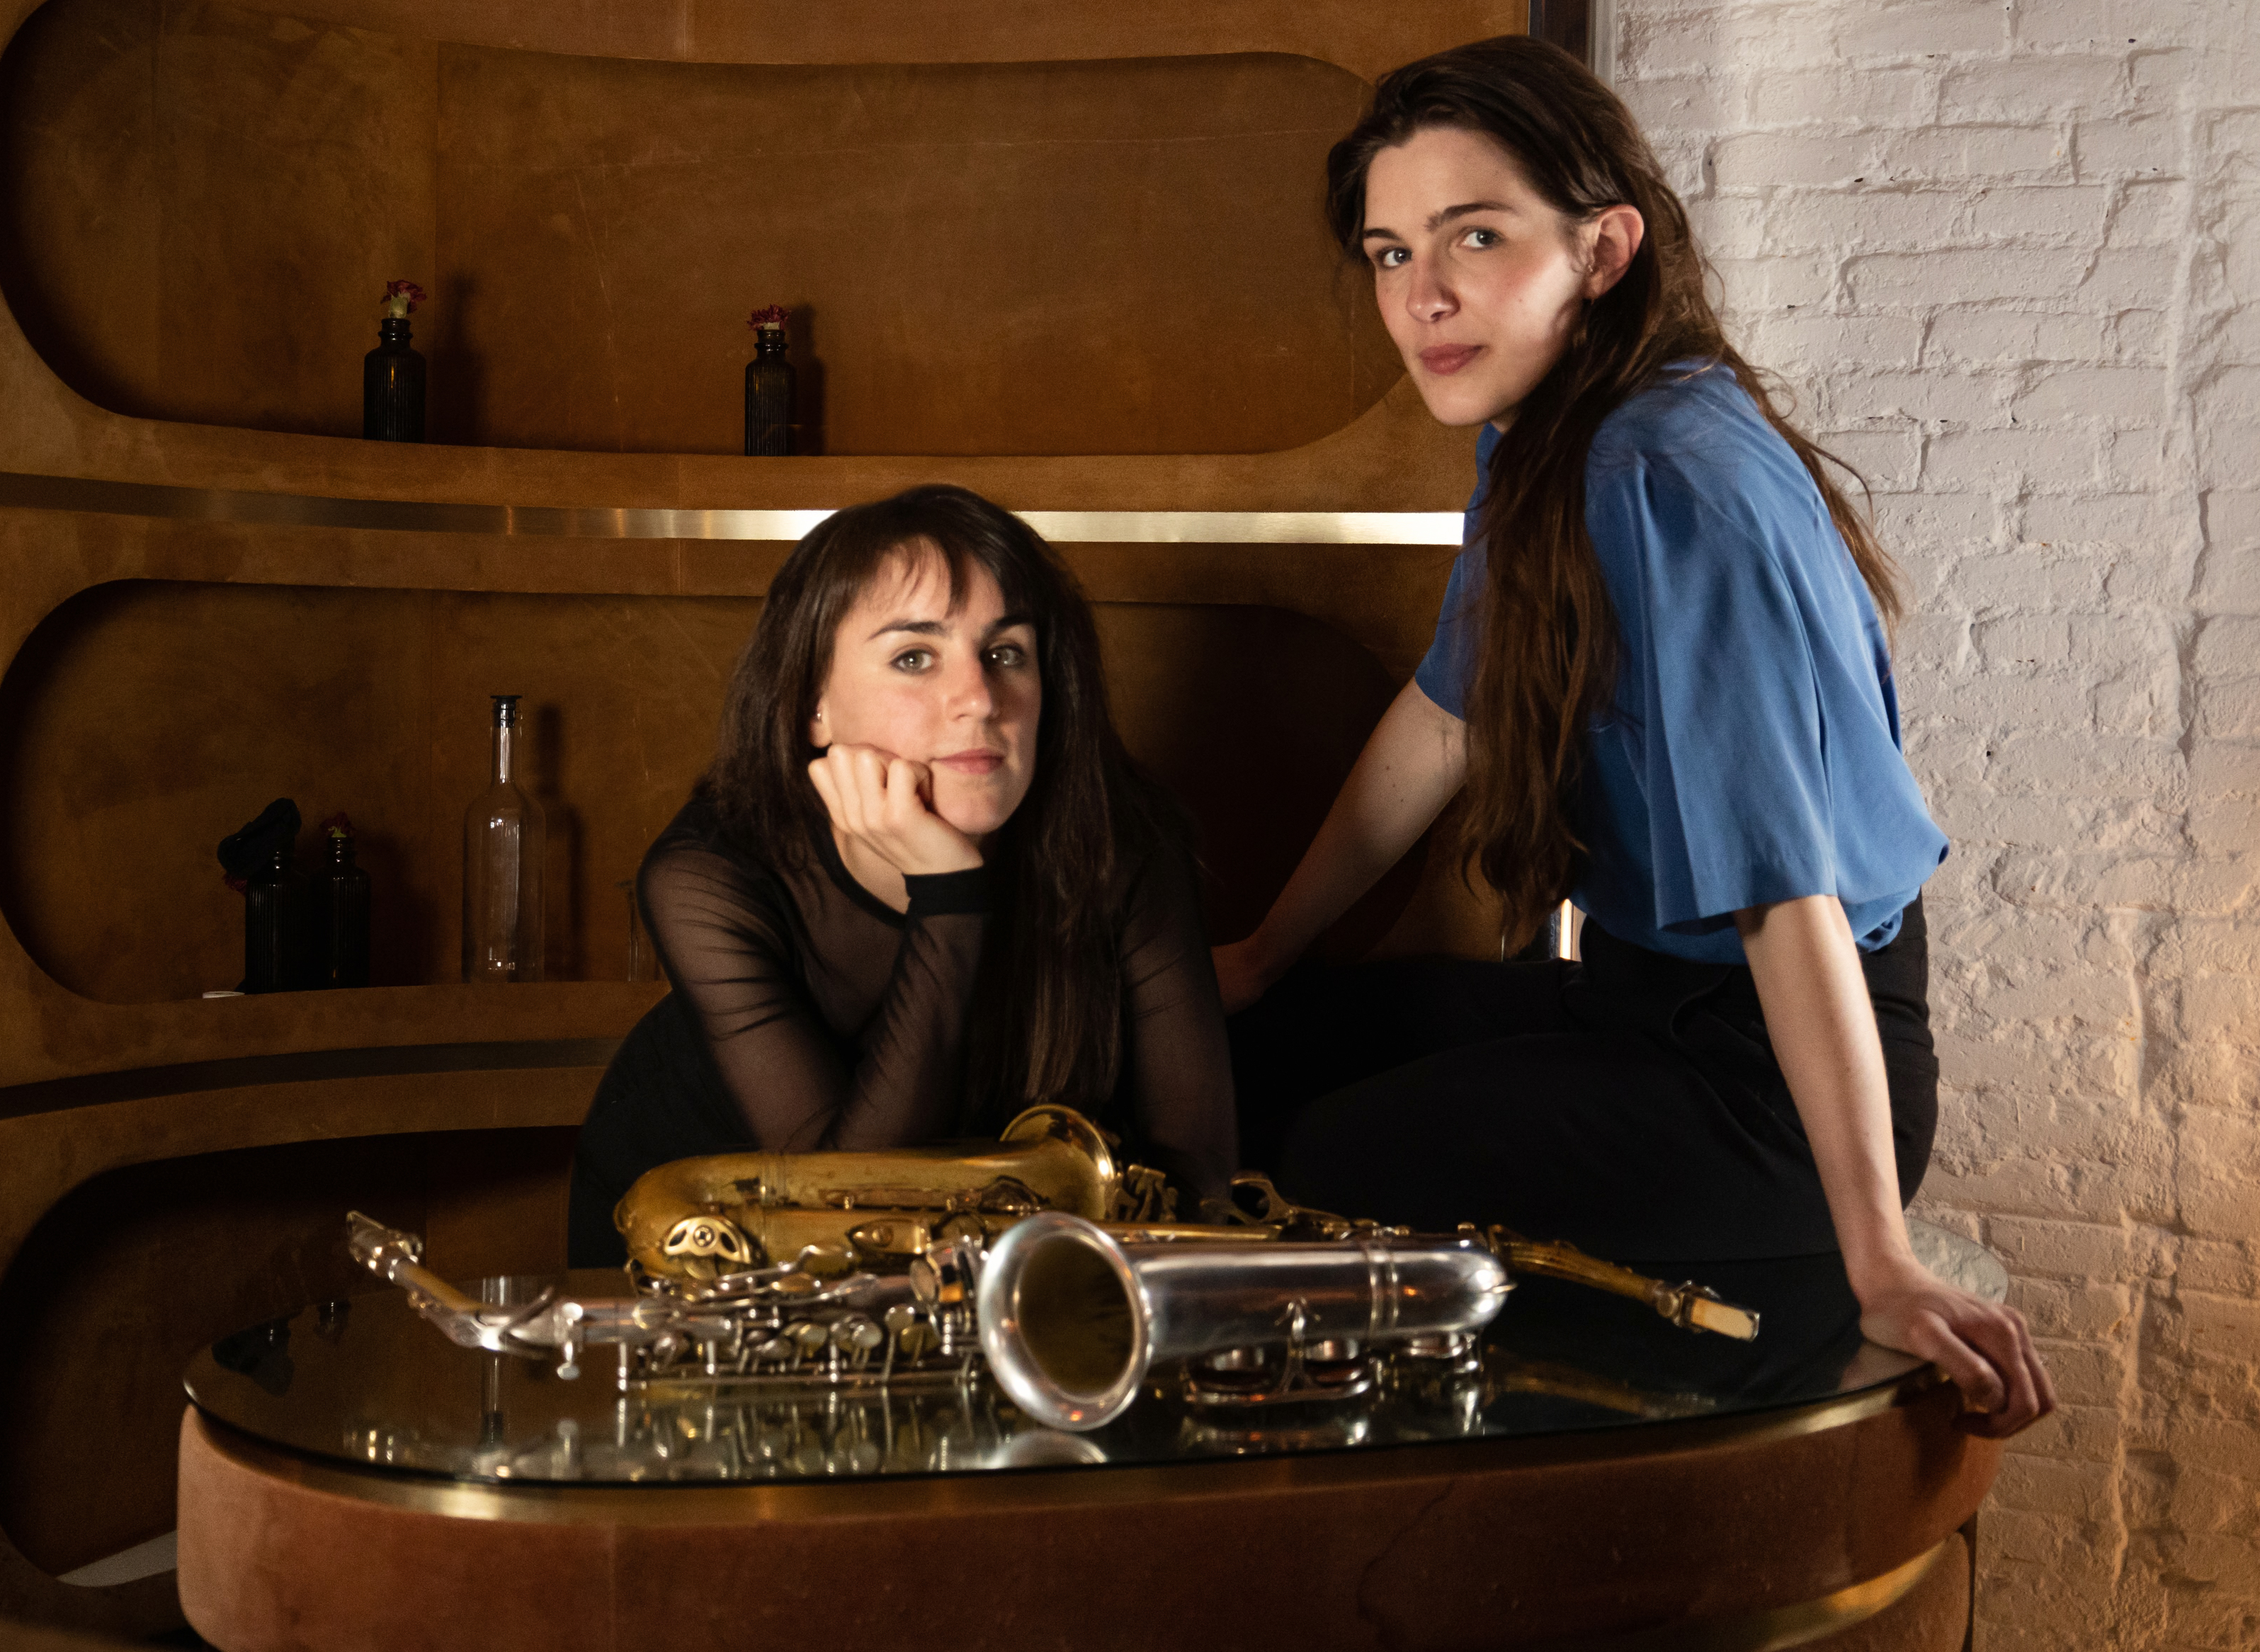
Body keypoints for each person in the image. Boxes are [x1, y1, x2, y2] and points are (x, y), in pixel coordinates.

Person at [1212, 38, 2052, 1437]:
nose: (1422, 294)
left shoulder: (1658, 475)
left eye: (1476, 236)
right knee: (1264, 1045)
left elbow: (1786, 896)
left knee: (1328, 1152)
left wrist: (1880, 1260)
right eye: (1389, 251)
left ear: (1601, 250)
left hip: (1765, 1085)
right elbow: (1446, 713)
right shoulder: (1551, 433)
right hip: (1638, 1004)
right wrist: (1261, 951)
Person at [570, 484, 1234, 1266]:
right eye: (913, 657)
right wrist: (949, 897)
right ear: (813, 703)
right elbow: (846, 1206)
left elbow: (1199, 1175)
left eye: (1005, 653)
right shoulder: (710, 876)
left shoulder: (1125, 843)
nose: (979, 699)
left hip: (1002, 1281)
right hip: (698, 1265)